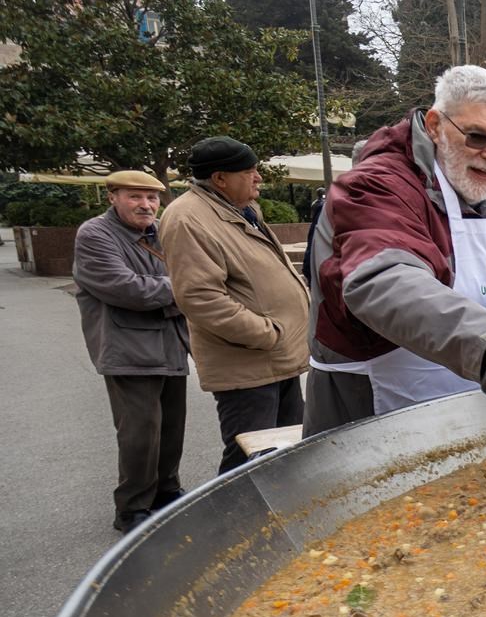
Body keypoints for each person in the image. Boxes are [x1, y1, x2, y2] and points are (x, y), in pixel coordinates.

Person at [312, 65, 486, 429]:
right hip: (372, 405)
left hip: (469, 404)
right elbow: (384, 281)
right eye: (477, 137)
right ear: (435, 125)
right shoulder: (376, 185)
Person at [161, 136, 311, 474]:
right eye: (249, 171)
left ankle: (277, 507)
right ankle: (229, 510)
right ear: (220, 178)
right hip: (249, 362)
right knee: (248, 461)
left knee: (287, 450)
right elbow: (200, 297)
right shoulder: (187, 218)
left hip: (277, 357)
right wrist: (267, 334)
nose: (258, 177)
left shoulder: (240, 208)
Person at [73, 170, 190, 533]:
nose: (146, 205)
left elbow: (183, 274)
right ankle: (132, 508)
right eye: (134, 197)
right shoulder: (95, 234)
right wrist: (184, 290)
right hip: (128, 349)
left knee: (171, 427)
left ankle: (166, 491)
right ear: (112, 197)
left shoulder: (160, 233)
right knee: (140, 433)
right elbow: (126, 288)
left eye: (152, 198)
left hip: (171, 343)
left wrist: (175, 288)